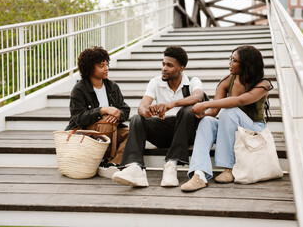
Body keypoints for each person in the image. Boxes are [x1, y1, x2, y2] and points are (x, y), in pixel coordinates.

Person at [180, 45, 273, 192]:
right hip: (232, 128)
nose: (230, 63)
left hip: (255, 130)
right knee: (207, 122)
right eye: (231, 59)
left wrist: (205, 103)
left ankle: (229, 168)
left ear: (246, 64)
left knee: (228, 111)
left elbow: (241, 100)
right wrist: (200, 114)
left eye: (234, 61)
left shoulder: (263, 84)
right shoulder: (227, 81)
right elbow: (214, 111)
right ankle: (199, 174)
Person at [112, 45, 204, 187]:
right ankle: (135, 168)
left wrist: (171, 104)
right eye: (163, 64)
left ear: (181, 68)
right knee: (137, 119)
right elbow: (141, 107)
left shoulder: (192, 81)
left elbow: (198, 97)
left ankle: (171, 165)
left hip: (185, 131)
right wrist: (147, 111)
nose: (164, 68)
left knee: (188, 110)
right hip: (163, 130)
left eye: (169, 65)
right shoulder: (155, 82)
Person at [65, 46, 130, 178]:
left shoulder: (112, 87)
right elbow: (79, 118)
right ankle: (103, 160)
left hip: (109, 130)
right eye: (101, 65)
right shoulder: (79, 89)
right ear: (89, 68)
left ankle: (113, 163)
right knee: (107, 122)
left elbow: (125, 109)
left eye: (107, 64)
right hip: (85, 133)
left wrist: (118, 114)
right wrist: (103, 110)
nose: (106, 68)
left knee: (133, 132)